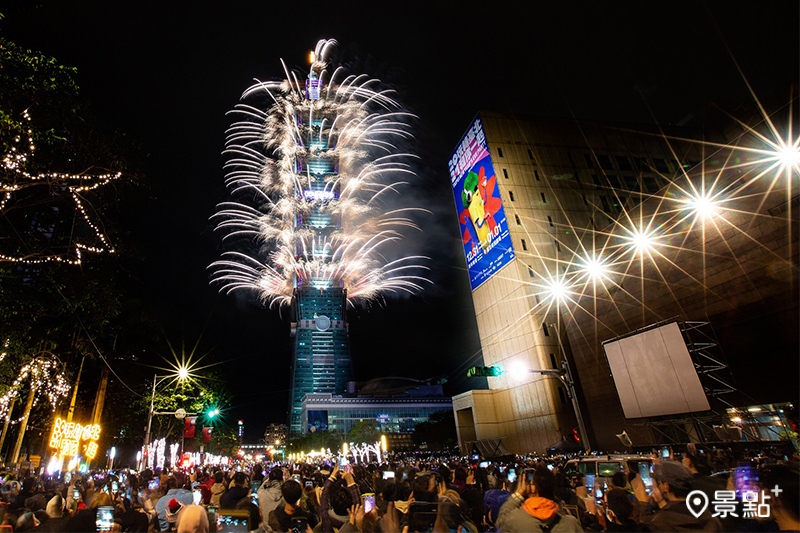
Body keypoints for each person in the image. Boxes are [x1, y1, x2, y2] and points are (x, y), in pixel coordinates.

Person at [496, 467, 583, 532]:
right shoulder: (571, 523)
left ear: (533, 489)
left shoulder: (514, 520)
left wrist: (518, 495)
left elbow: (500, 523)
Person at [647, 460, 723, 532]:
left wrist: (643, 509)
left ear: (666, 487)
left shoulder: (660, 522)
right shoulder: (710, 516)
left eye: (656, 486)